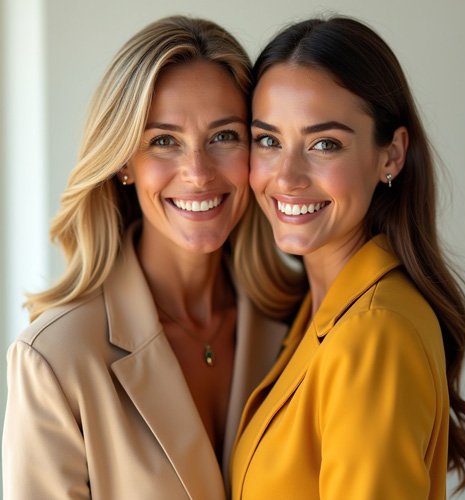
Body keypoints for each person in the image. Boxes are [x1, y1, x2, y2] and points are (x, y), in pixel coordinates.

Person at [2, 16, 293, 500]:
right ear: (122, 163)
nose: (198, 173)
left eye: (224, 136)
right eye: (163, 141)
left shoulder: (298, 320)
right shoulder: (55, 360)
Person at [231, 16, 465, 499]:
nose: (287, 177)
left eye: (324, 144)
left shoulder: (372, 334)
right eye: (268, 140)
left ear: (391, 156)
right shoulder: (321, 310)